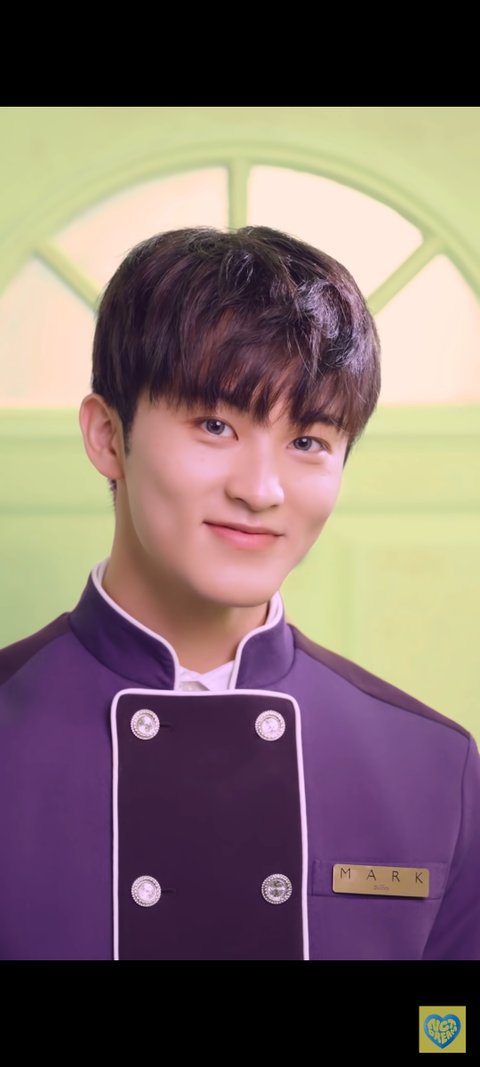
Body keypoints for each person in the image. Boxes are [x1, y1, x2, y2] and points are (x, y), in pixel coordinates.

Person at [1, 225, 479, 961]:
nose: (261, 490)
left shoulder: (436, 768)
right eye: (216, 425)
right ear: (107, 436)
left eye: (308, 441)